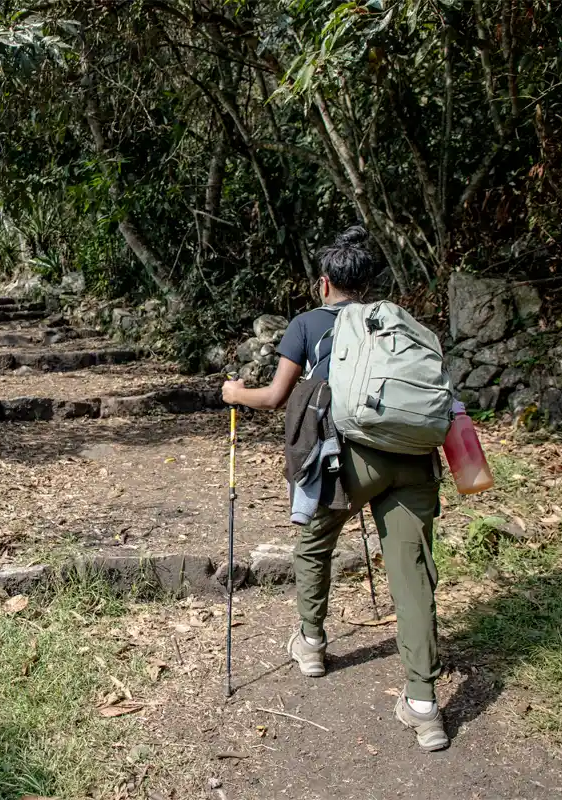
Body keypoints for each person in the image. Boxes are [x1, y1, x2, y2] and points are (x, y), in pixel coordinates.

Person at [221, 226, 448, 752]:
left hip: (348, 459)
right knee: (412, 575)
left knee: (315, 542)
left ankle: (313, 643)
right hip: (413, 457)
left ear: (325, 284)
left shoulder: (306, 324)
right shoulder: (399, 324)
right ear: (368, 283)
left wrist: (235, 392)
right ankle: (424, 707)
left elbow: (277, 397)